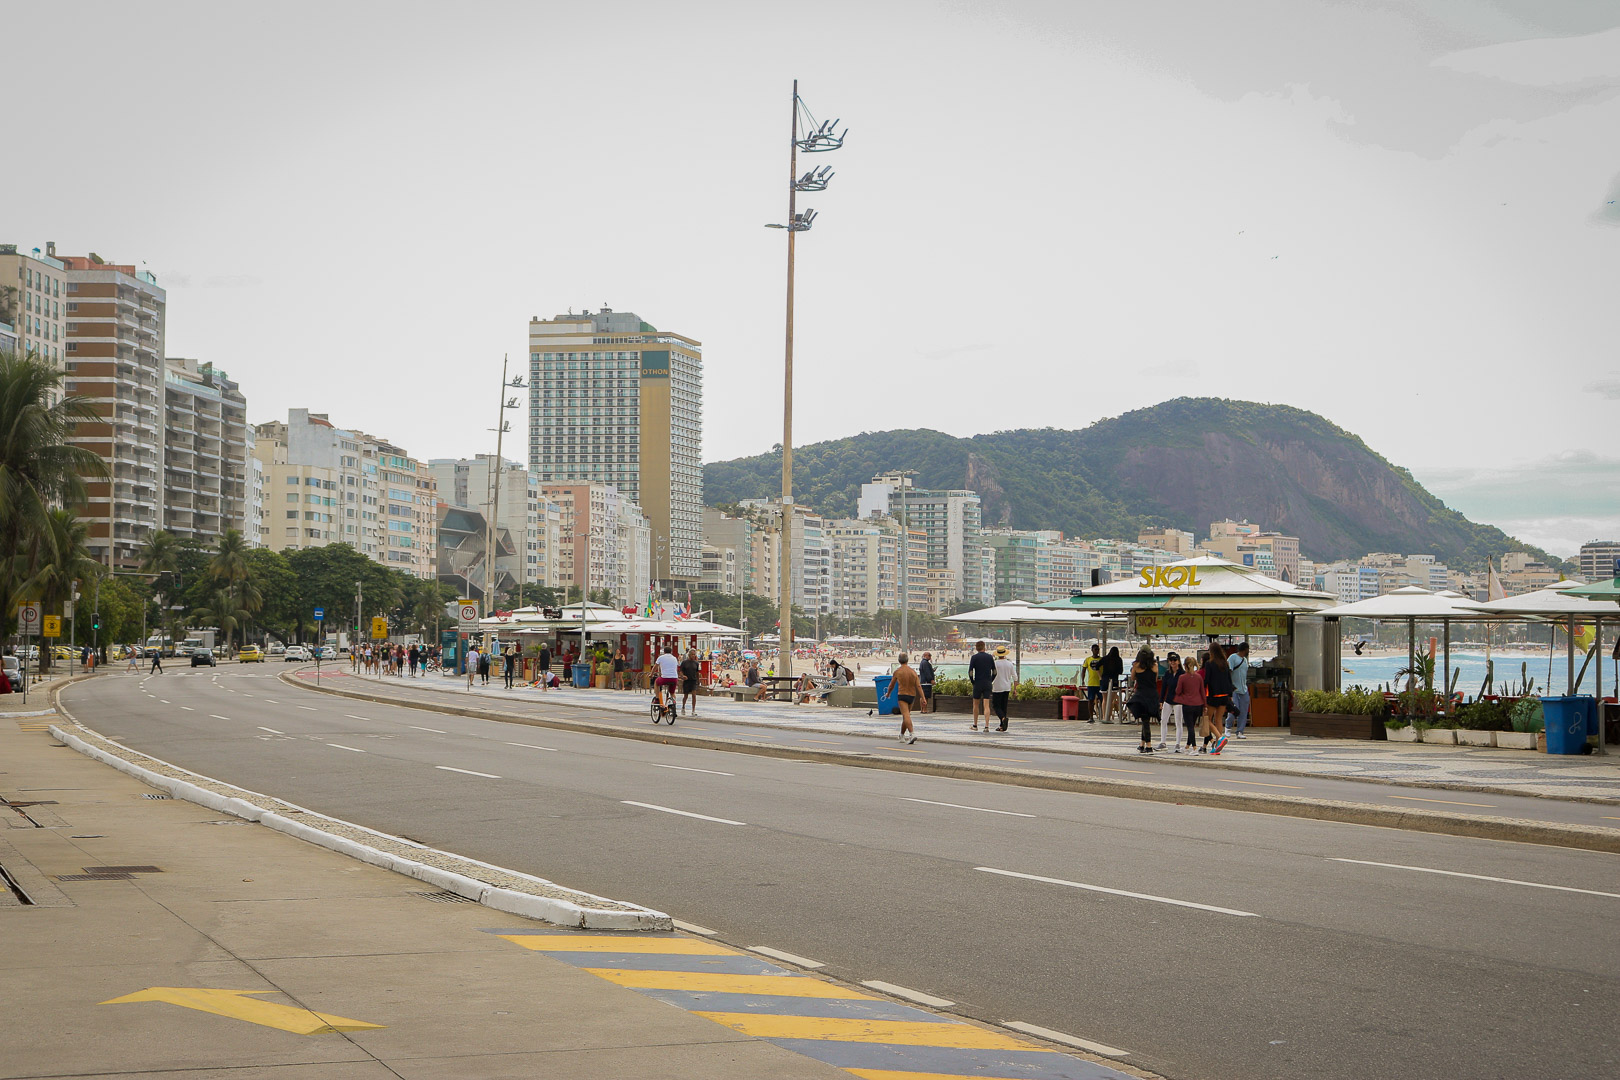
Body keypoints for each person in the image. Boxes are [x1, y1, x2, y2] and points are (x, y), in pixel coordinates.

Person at [1202, 642, 1233, 754]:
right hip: (1224, 695)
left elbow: (1207, 679)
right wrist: (1230, 695)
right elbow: (1229, 679)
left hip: (1213, 695)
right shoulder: (1225, 663)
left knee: (1206, 719)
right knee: (1219, 719)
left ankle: (1220, 738)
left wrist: (1202, 688)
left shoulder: (1209, 664)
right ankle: (1217, 746)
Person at [1173, 651, 1206, 754]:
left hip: (1187, 704)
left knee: (1190, 727)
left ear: (1185, 665)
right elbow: (1202, 692)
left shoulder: (1182, 677)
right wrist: (1204, 705)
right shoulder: (1198, 677)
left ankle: (1195, 748)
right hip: (1198, 704)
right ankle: (1187, 746)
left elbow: (1178, 691)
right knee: (1193, 724)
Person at [1128, 646, 1160, 753]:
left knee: (1145, 720)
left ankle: (1149, 745)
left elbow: (1132, 678)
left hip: (1141, 694)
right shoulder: (1155, 666)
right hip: (1152, 694)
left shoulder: (1136, 666)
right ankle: (1142, 744)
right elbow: (1155, 679)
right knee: (1146, 719)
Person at [890, 652, 924, 744]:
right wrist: (923, 698)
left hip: (902, 695)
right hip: (912, 696)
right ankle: (901, 735)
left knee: (906, 715)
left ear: (899, 660)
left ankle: (912, 734)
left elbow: (891, 685)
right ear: (907, 660)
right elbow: (918, 686)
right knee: (906, 715)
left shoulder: (897, 671)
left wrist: (888, 694)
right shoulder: (913, 672)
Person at [1156, 651, 1183, 750]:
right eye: (1171, 660)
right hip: (1168, 700)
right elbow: (1164, 688)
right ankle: (1163, 742)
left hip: (1179, 701)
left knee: (1178, 722)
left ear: (1178, 662)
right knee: (1163, 720)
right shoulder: (1167, 674)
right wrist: (1161, 701)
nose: (1173, 662)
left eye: (1175, 660)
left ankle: (1178, 743)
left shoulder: (1182, 674)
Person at [968, 641, 997, 731]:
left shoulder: (974, 657)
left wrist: (973, 681)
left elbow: (970, 672)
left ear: (976, 648)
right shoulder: (990, 657)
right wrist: (990, 680)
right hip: (987, 683)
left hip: (978, 683)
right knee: (986, 705)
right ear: (984, 647)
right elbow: (995, 672)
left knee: (975, 704)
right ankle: (986, 726)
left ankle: (975, 725)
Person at [1227, 641, 1251, 739]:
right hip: (1234, 689)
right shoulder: (1232, 658)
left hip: (1244, 689)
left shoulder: (1245, 660)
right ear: (1245, 649)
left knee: (1244, 711)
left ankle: (1240, 731)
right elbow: (1228, 671)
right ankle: (1228, 727)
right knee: (1233, 709)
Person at [990, 645, 1016, 732]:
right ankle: (1002, 725)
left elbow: (991, 675)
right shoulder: (1009, 664)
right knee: (1003, 706)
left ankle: (1003, 719)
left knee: (996, 705)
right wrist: (1015, 689)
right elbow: (1015, 677)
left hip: (997, 687)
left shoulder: (995, 663)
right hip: (1007, 687)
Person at [654, 644, 680, 712]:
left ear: (664, 652)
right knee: (672, 692)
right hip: (674, 678)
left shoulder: (661, 657)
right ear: (671, 652)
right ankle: (674, 705)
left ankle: (657, 698)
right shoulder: (674, 658)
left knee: (656, 682)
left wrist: (651, 674)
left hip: (664, 678)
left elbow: (655, 667)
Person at [1083, 644, 1104, 720]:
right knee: (1090, 700)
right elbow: (1084, 670)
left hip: (1100, 684)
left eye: (1098, 649)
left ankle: (1103, 716)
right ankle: (1091, 717)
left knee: (1102, 700)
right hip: (1091, 683)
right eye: (1095, 649)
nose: (1097, 651)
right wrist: (1082, 680)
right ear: (1092, 650)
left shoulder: (1102, 660)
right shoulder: (1088, 659)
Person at [679, 648, 701, 715]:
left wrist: (698, 680)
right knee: (686, 695)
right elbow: (680, 671)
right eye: (692, 654)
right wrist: (683, 676)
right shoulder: (684, 662)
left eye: (694, 654)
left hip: (693, 681)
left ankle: (693, 710)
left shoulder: (696, 663)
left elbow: (697, 672)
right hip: (686, 681)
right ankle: (683, 707)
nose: (693, 656)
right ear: (689, 655)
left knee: (694, 695)